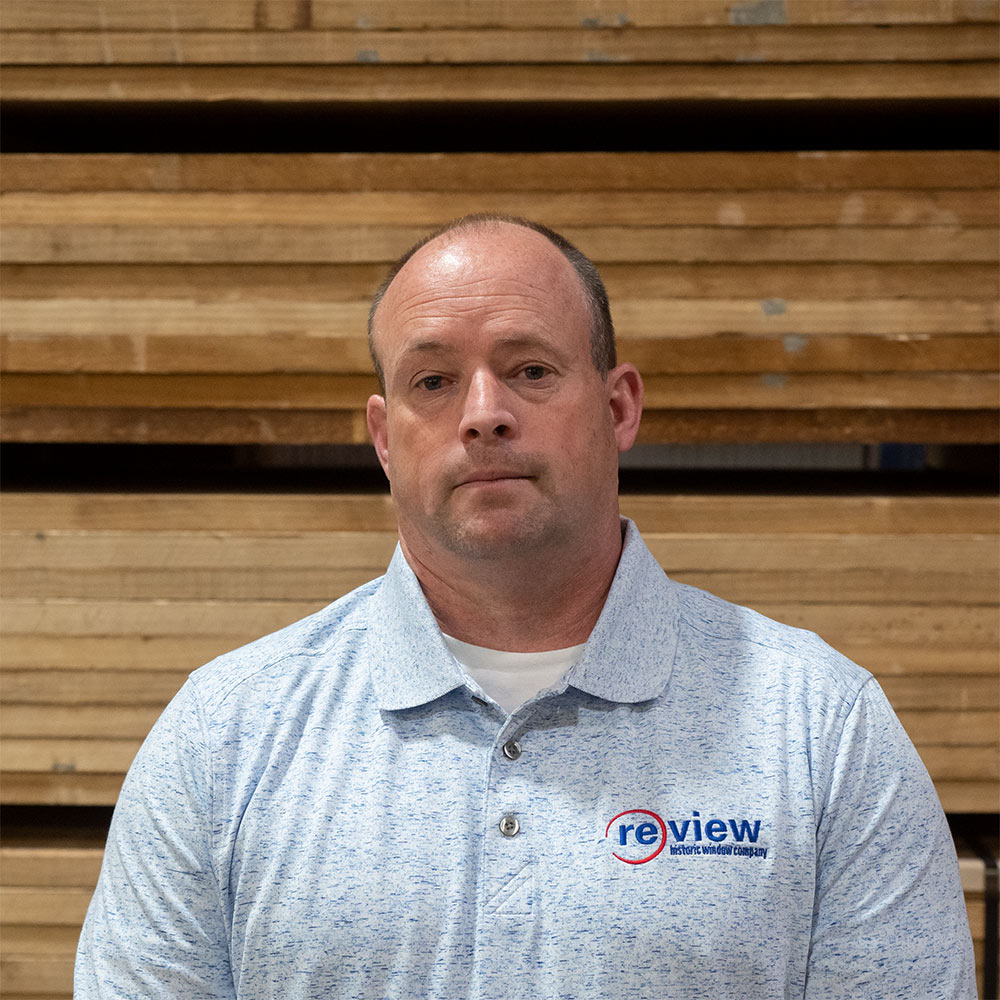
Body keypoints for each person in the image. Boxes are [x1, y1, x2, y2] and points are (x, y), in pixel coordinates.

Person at [76, 215, 975, 998]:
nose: (483, 414)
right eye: (432, 381)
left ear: (618, 407)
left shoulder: (820, 728)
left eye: (531, 369)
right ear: (385, 439)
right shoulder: (226, 735)